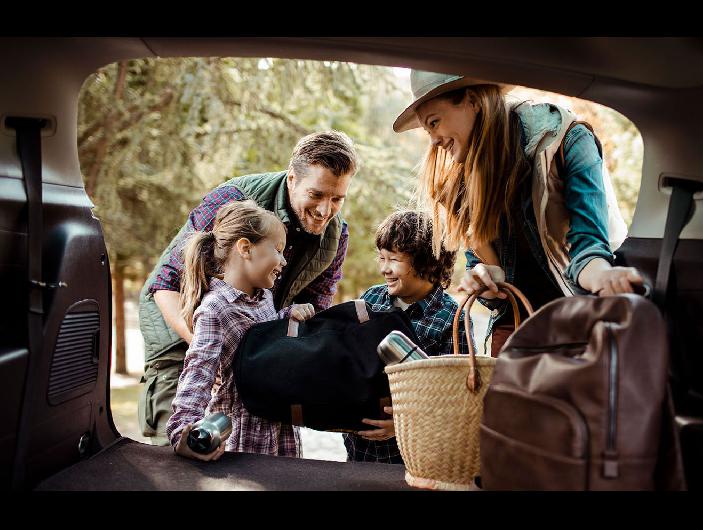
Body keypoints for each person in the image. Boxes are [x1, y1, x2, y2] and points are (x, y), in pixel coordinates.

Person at [393, 70, 642, 356]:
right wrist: (483, 279)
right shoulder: (460, 186)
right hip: (517, 334)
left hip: (580, 322)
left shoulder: (567, 140)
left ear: (472, 100)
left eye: (435, 122)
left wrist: (605, 278)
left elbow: (589, 250)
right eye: (428, 131)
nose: (434, 141)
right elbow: (489, 276)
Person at [139, 131, 358, 445]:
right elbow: (165, 285)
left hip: (252, 349)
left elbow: (312, 317)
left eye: (337, 199)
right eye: (317, 195)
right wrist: (213, 353)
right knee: (180, 455)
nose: (326, 210)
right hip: (182, 336)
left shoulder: (335, 237)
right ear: (292, 178)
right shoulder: (233, 198)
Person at [166, 200, 316, 460]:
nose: (283, 261)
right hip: (244, 437)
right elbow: (198, 373)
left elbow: (262, 338)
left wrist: (286, 316)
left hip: (279, 431)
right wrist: (183, 433)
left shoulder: (264, 298)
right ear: (245, 248)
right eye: (278, 250)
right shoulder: (216, 308)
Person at [343, 209, 473, 464]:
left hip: (413, 456)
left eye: (393, 259)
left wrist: (402, 426)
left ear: (426, 261)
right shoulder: (371, 299)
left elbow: (457, 398)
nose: (384, 269)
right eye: (381, 258)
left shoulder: (452, 318)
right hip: (359, 452)